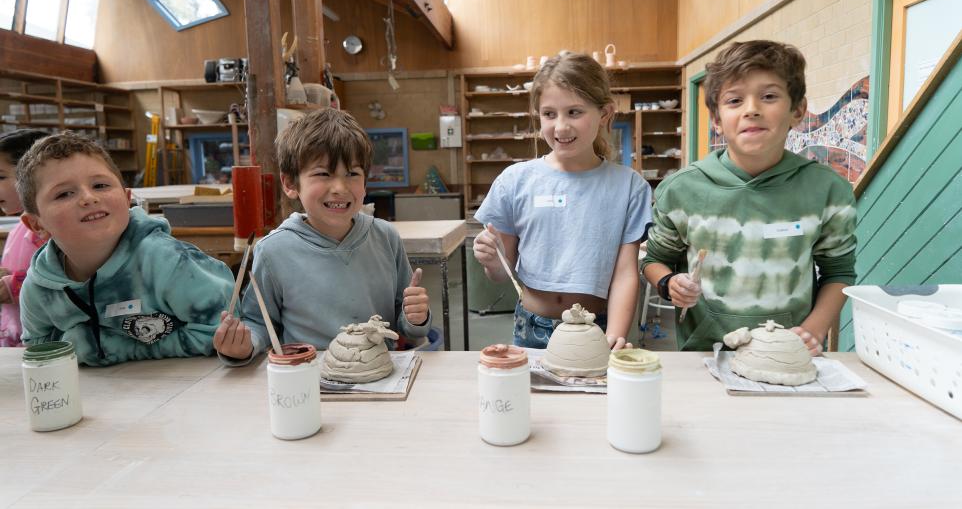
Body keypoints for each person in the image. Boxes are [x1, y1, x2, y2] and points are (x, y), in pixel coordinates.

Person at [641, 40, 857, 355]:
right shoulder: (681, 189)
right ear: (716, 119)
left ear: (797, 109)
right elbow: (654, 260)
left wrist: (814, 329)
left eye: (769, 96)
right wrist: (668, 284)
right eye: (734, 100)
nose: (751, 109)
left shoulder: (827, 191)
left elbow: (839, 272)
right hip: (705, 352)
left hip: (788, 352)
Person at [214, 108, 431, 364]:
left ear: (365, 182)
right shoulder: (273, 250)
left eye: (352, 174)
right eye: (322, 174)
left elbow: (405, 325)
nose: (339, 188)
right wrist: (243, 345)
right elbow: (259, 323)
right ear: (290, 184)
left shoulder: (385, 237)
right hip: (308, 378)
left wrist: (417, 317)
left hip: (377, 374)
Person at [472, 52, 652, 350]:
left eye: (574, 112)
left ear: (605, 113)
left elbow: (624, 274)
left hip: (596, 329)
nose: (561, 127)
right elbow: (502, 274)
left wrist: (616, 335)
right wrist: (492, 260)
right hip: (531, 327)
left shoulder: (629, 187)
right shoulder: (514, 181)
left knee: (593, 398)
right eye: (549, 114)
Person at [17, 132, 234, 365]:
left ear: (126, 196)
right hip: (96, 394)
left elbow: (221, 330)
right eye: (64, 194)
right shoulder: (40, 288)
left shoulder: (169, 262)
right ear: (36, 224)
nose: (88, 198)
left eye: (100, 185)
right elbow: (39, 348)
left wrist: (111, 348)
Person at [0, 129, 49, 347]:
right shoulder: (20, 227)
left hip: (44, 345)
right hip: (15, 338)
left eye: (0, 177)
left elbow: (70, 280)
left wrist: (12, 285)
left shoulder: (50, 229)